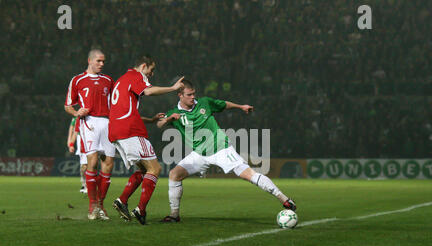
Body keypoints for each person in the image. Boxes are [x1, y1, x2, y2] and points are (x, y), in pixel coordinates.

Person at [156, 79, 297, 222]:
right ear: (180, 95)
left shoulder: (204, 102)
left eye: (194, 94)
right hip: (200, 154)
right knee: (174, 174)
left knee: (247, 174)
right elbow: (159, 124)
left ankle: (284, 199)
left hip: (220, 148)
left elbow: (224, 104)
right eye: (189, 95)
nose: (193, 97)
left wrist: (241, 106)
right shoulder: (174, 113)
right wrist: (169, 119)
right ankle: (174, 214)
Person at [109, 54, 184, 225]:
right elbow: (149, 91)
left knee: (144, 170)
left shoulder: (122, 80)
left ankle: (122, 201)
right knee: (155, 169)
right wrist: (173, 88)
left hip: (116, 130)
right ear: (143, 66)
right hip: (131, 130)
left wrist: (150, 120)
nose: (151, 74)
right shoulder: (136, 76)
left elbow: (123, 110)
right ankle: (140, 210)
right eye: (151, 70)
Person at [64, 49, 115, 221]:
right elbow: (68, 105)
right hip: (89, 122)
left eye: (103, 61)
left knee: (108, 163)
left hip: (107, 122)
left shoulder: (108, 80)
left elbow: (115, 102)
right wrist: (77, 112)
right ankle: (92, 206)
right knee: (92, 161)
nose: (102, 64)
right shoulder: (78, 80)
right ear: (90, 61)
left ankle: (100, 205)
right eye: (99, 61)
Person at [67, 116, 88, 194]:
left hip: (92, 139)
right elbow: (74, 131)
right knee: (84, 166)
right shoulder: (76, 118)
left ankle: (90, 185)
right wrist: (71, 144)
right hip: (81, 139)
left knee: (92, 163)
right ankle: (84, 183)